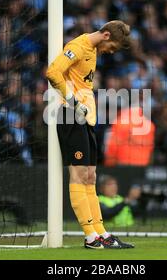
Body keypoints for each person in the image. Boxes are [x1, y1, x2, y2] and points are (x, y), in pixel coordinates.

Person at [46, 20, 134, 249]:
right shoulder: (78, 46)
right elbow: (53, 71)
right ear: (105, 35)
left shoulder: (93, 49)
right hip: (70, 115)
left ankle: (101, 232)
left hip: (85, 118)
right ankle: (89, 236)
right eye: (112, 47)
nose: (110, 52)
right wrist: (74, 103)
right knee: (78, 175)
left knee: (90, 178)